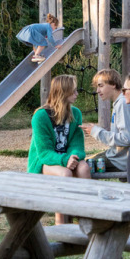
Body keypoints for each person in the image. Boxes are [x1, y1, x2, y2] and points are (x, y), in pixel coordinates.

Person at [27, 74, 91, 224]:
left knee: (84, 169)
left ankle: (87, 218)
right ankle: (60, 223)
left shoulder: (75, 113)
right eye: (73, 91)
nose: (76, 94)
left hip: (67, 158)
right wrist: (64, 160)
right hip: (45, 162)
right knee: (65, 174)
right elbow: (43, 153)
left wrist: (74, 156)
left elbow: (77, 144)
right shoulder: (40, 117)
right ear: (63, 92)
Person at [81, 69, 130, 172]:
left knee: (83, 167)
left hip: (122, 159)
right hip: (118, 155)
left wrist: (97, 132)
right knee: (86, 161)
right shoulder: (119, 102)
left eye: (101, 86)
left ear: (113, 84)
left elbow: (126, 139)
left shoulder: (123, 104)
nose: (97, 90)